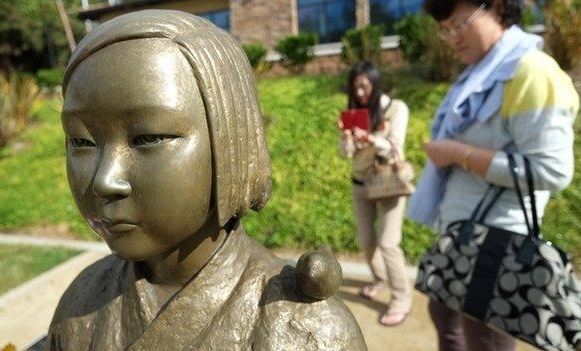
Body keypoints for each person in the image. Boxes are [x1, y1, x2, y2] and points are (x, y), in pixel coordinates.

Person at [45, 10, 366, 350]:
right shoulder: (80, 305)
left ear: (231, 142)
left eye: (149, 137)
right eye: (81, 141)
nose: (103, 180)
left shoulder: (304, 330)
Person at [407, 0, 579, 350]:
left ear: (497, 7)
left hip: (497, 248)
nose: (452, 37)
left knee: (485, 339)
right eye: (446, 29)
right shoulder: (480, 74)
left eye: (460, 23)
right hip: (462, 235)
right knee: (445, 317)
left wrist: (458, 153)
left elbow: (552, 169)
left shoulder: (530, 71)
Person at [338, 61, 412, 326]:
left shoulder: (396, 108)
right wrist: (347, 139)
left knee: (388, 243)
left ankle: (401, 298)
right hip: (360, 184)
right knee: (367, 241)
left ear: (374, 82)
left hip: (388, 182)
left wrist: (370, 139)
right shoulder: (353, 113)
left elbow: (395, 147)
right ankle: (380, 278)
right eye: (354, 87)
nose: (359, 93)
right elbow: (344, 154)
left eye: (363, 86)